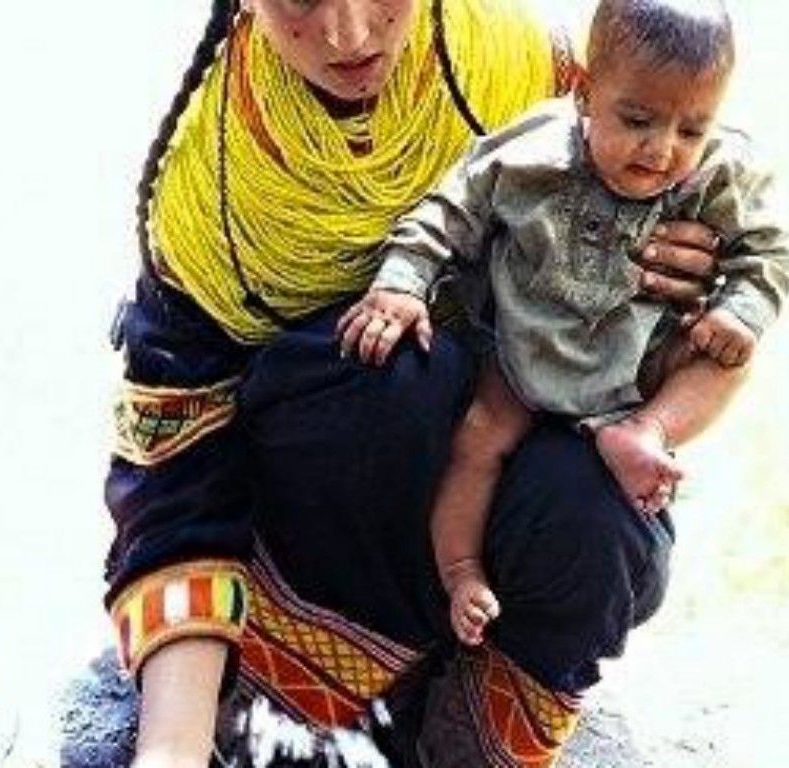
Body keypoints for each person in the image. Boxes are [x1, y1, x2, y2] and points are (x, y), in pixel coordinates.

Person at [100, 0, 724, 766]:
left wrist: (690, 274)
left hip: (506, 490)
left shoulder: (540, 76)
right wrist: (172, 749)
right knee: (397, 369)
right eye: (300, 0)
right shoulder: (216, 192)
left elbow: (694, 218)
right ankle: (299, 701)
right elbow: (176, 463)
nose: (350, 36)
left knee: (598, 509)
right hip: (330, 536)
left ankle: (476, 721)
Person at [336, 0, 789, 647]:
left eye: (691, 129)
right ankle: (462, 571)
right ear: (584, 91)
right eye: (636, 119)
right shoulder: (531, 152)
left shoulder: (722, 173)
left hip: (638, 363)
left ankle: (644, 433)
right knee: (477, 441)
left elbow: (769, 255)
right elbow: (447, 212)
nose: (662, 150)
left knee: (731, 355)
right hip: (527, 353)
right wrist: (401, 284)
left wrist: (738, 310)